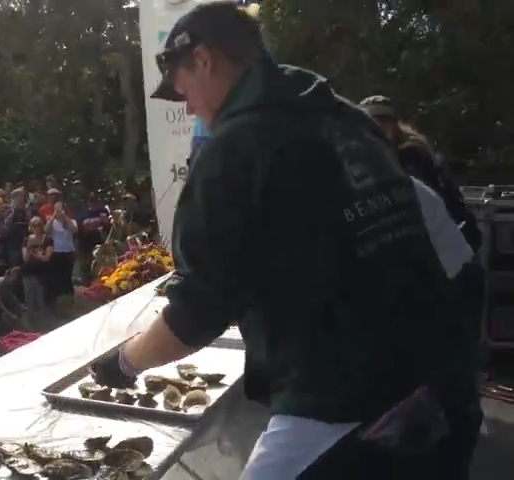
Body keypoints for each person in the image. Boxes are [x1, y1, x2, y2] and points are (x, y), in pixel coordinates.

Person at [89, 3, 480, 479]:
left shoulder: (235, 151)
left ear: (205, 60)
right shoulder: (348, 119)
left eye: (181, 88)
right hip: (444, 388)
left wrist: (124, 363)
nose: (187, 105)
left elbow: (196, 314)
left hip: (345, 403)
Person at [360, 95, 483, 252]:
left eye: (385, 119)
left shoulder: (413, 156)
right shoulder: (350, 157)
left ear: (395, 124)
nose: (379, 125)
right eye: (372, 119)